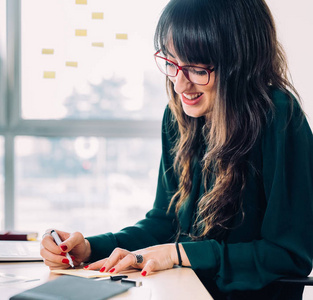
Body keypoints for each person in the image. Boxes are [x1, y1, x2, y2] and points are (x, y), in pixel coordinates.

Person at [40, 0, 313, 298]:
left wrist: (180, 255)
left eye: (196, 68)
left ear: (240, 65)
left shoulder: (279, 117)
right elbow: (164, 222)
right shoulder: (178, 115)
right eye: (171, 63)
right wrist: (91, 248)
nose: (181, 84)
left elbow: (290, 255)